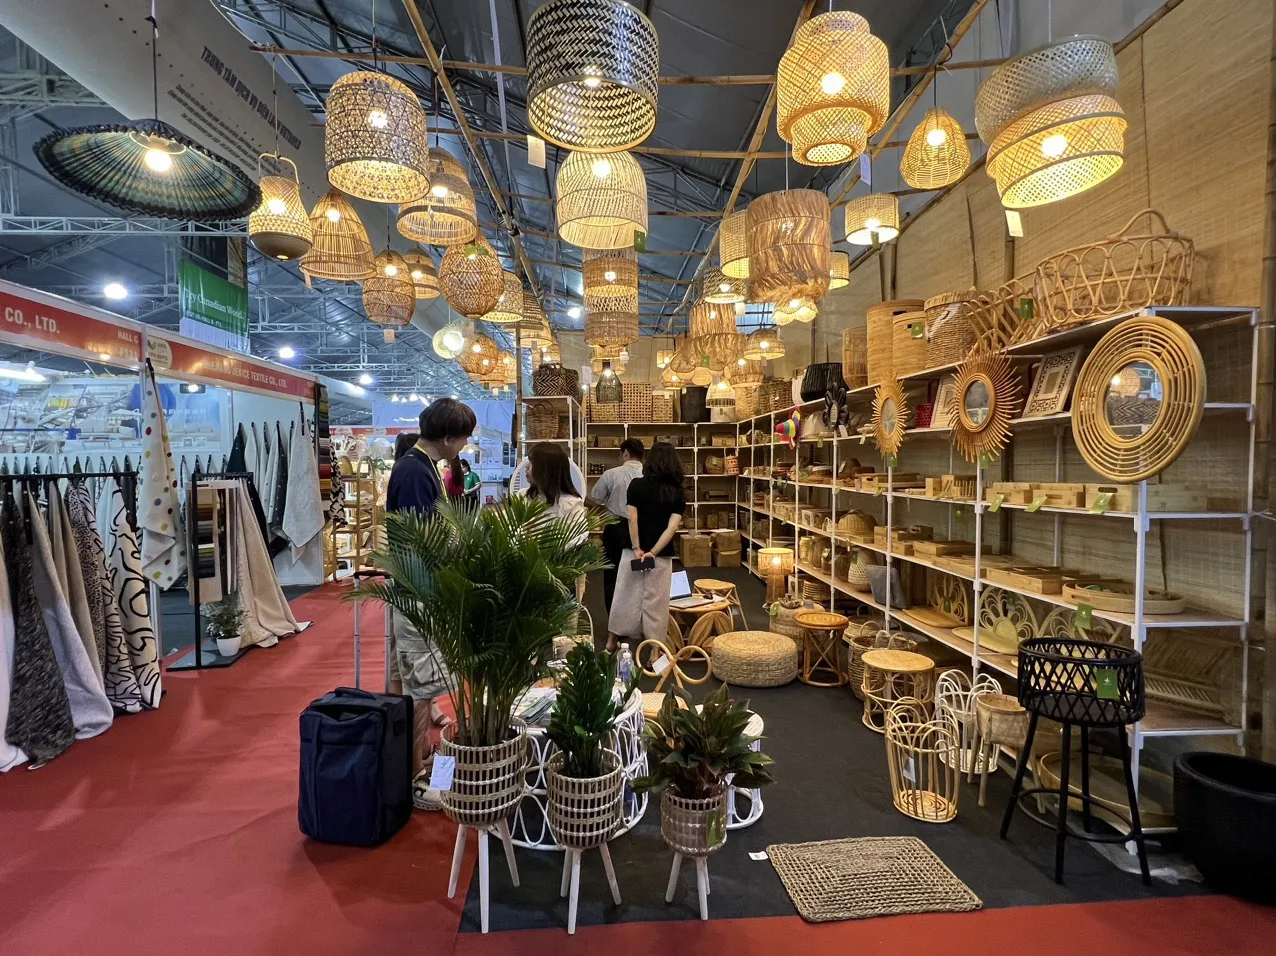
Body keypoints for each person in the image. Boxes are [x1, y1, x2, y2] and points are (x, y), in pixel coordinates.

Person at [385, 398, 476, 811]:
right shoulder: (414, 472)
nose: (464, 445)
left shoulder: (421, 467)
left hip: (415, 589)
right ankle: (417, 776)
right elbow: (422, 540)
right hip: (418, 591)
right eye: (463, 438)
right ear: (448, 437)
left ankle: (412, 761)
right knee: (419, 685)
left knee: (408, 679)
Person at [607, 441, 685, 652]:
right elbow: (672, 527)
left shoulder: (636, 485)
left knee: (624, 595)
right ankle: (654, 652)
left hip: (632, 551)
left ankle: (611, 642)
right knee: (657, 603)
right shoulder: (677, 492)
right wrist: (653, 552)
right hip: (661, 555)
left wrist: (637, 548)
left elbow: (632, 518)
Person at [585, 437, 644, 613]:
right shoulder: (649, 475)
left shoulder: (611, 474)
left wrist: (607, 507)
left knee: (613, 572)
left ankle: (613, 615)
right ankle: (637, 614)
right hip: (642, 528)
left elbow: (595, 499)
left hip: (616, 528)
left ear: (625, 453)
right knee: (640, 570)